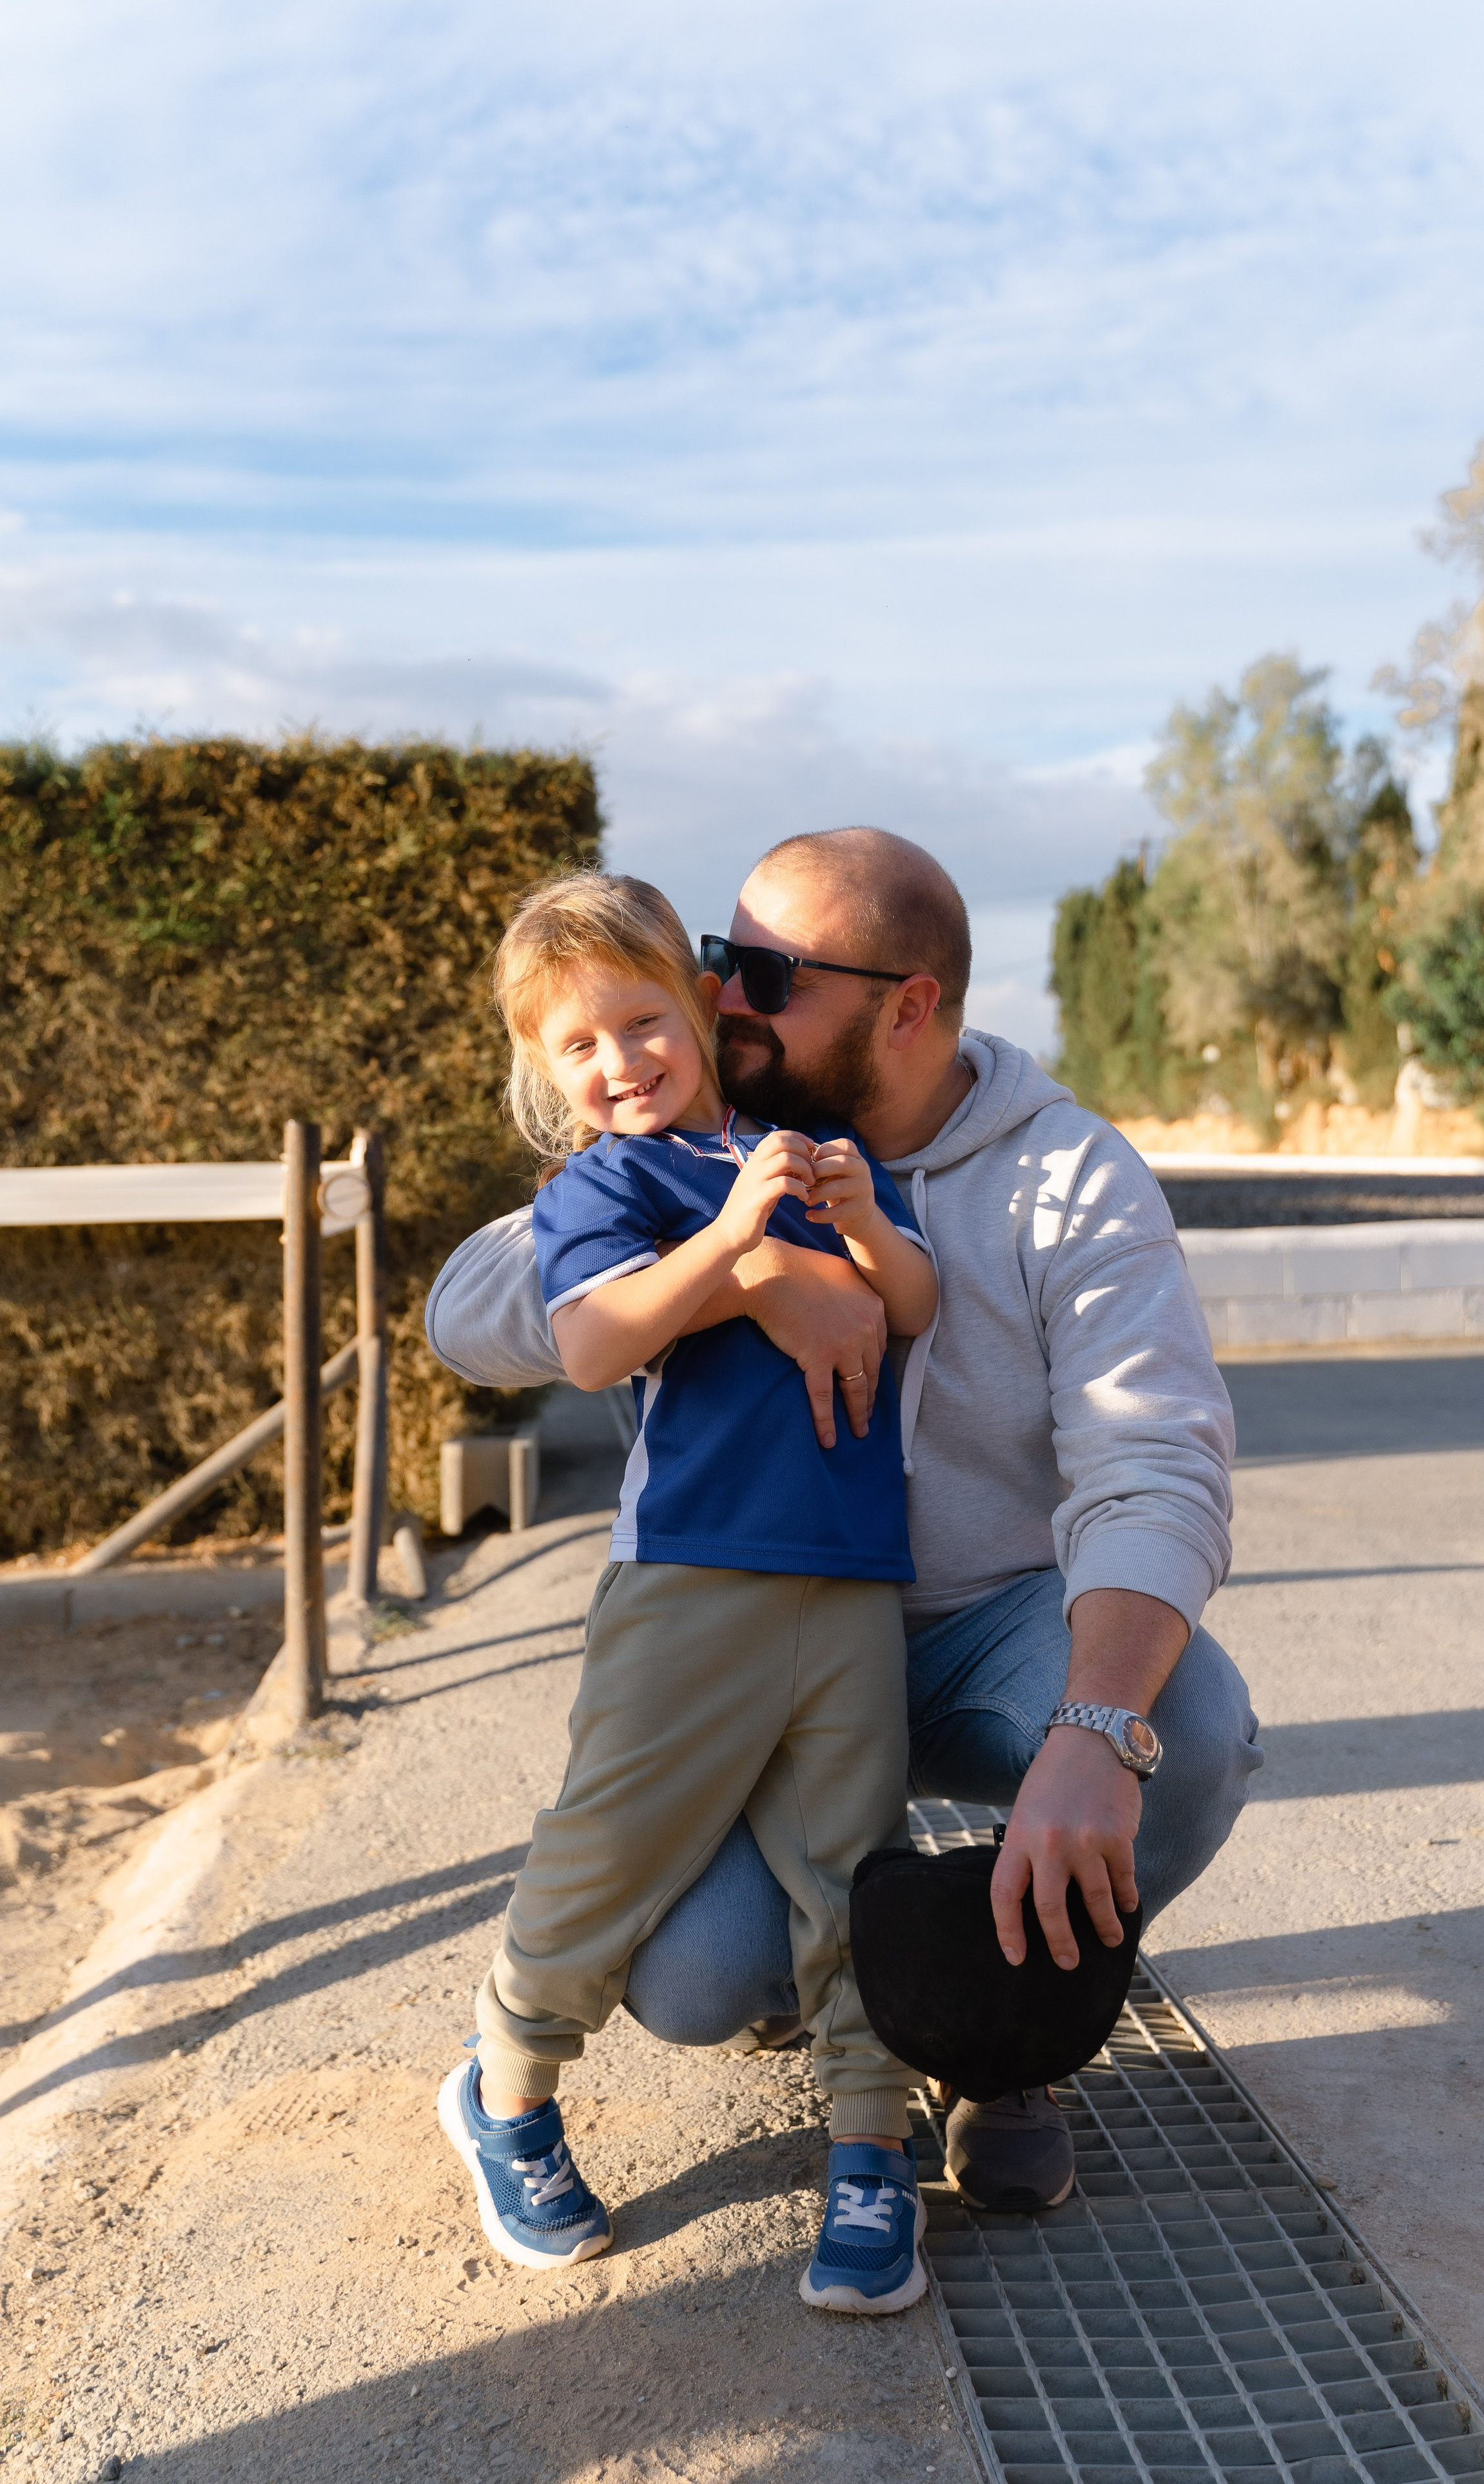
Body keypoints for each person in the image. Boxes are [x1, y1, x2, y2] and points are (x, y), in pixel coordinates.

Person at [428, 827, 1264, 2216]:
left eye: (768, 975)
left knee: (1188, 1734)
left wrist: (1092, 1730)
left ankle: (996, 2034)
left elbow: (1154, 1460)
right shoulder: (704, 1147)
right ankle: (836, 1991)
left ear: (908, 1006)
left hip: (984, 1625)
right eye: (722, 960)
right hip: (771, 1619)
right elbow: (470, 1310)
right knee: (695, 1979)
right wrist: (749, 1266)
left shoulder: (1066, 1175)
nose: (725, 998)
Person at [438, 869, 942, 2316]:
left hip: (850, 1583)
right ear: (543, 1069)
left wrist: (859, 1224)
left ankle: (869, 2147)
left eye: (643, 1021)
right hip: (689, 1580)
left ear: (705, 1006)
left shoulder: (817, 1149)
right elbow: (593, 1345)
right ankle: (507, 2088)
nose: (619, 1062)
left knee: (853, 1873)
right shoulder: (609, 1184)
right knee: (610, 1847)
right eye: (577, 1046)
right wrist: (737, 1251)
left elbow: (912, 1308)